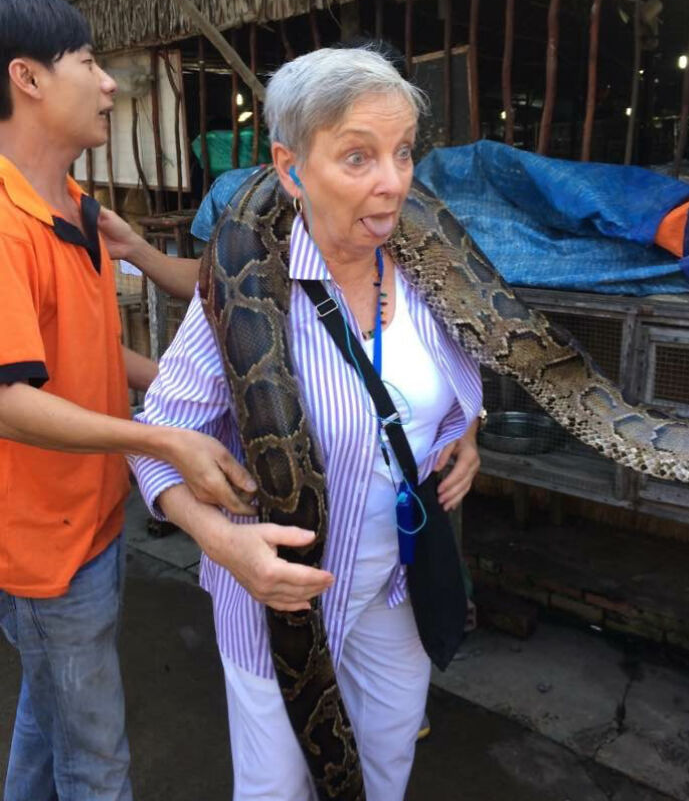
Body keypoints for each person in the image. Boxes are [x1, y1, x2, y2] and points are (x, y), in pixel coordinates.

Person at [131, 46, 483, 801]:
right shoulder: (243, 289)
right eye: (358, 157)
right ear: (291, 170)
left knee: (386, 769)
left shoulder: (427, 275)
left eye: (402, 153)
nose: (392, 182)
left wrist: (468, 432)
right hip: (279, 599)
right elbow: (158, 446)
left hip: (400, 586)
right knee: (275, 791)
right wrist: (225, 543)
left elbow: (447, 388)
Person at [0, 0, 255, 801]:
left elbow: (83, 354)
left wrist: (191, 393)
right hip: (44, 545)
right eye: (88, 62)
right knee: (98, 764)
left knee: (52, 719)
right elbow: (8, 398)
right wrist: (161, 439)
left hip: (95, 513)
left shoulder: (78, 209)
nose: (110, 84)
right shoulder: (2, 223)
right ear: (28, 79)